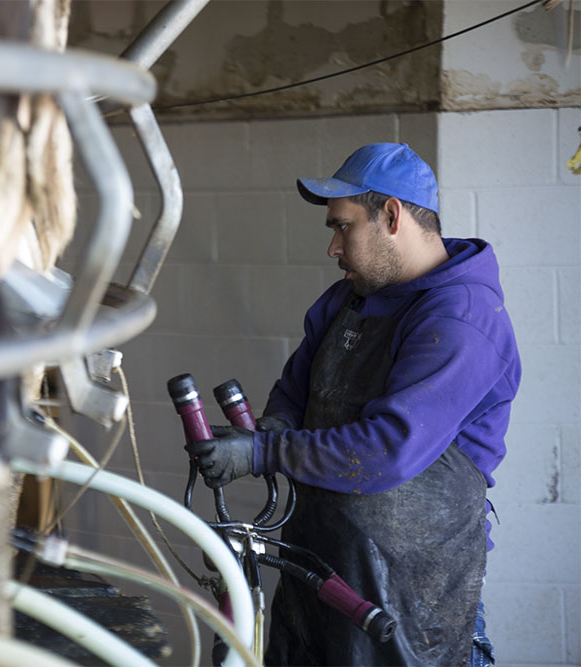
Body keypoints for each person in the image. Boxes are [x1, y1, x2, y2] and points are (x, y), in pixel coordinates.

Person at [185, 143, 521, 666]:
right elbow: (297, 387)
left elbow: (386, 449)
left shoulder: (461, 318)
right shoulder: (349, 298)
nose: (333, 248)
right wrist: (272, 426)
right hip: (320, 568)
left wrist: (265, 453)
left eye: (343, 226)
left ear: (391, 215)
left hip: (415, 600)